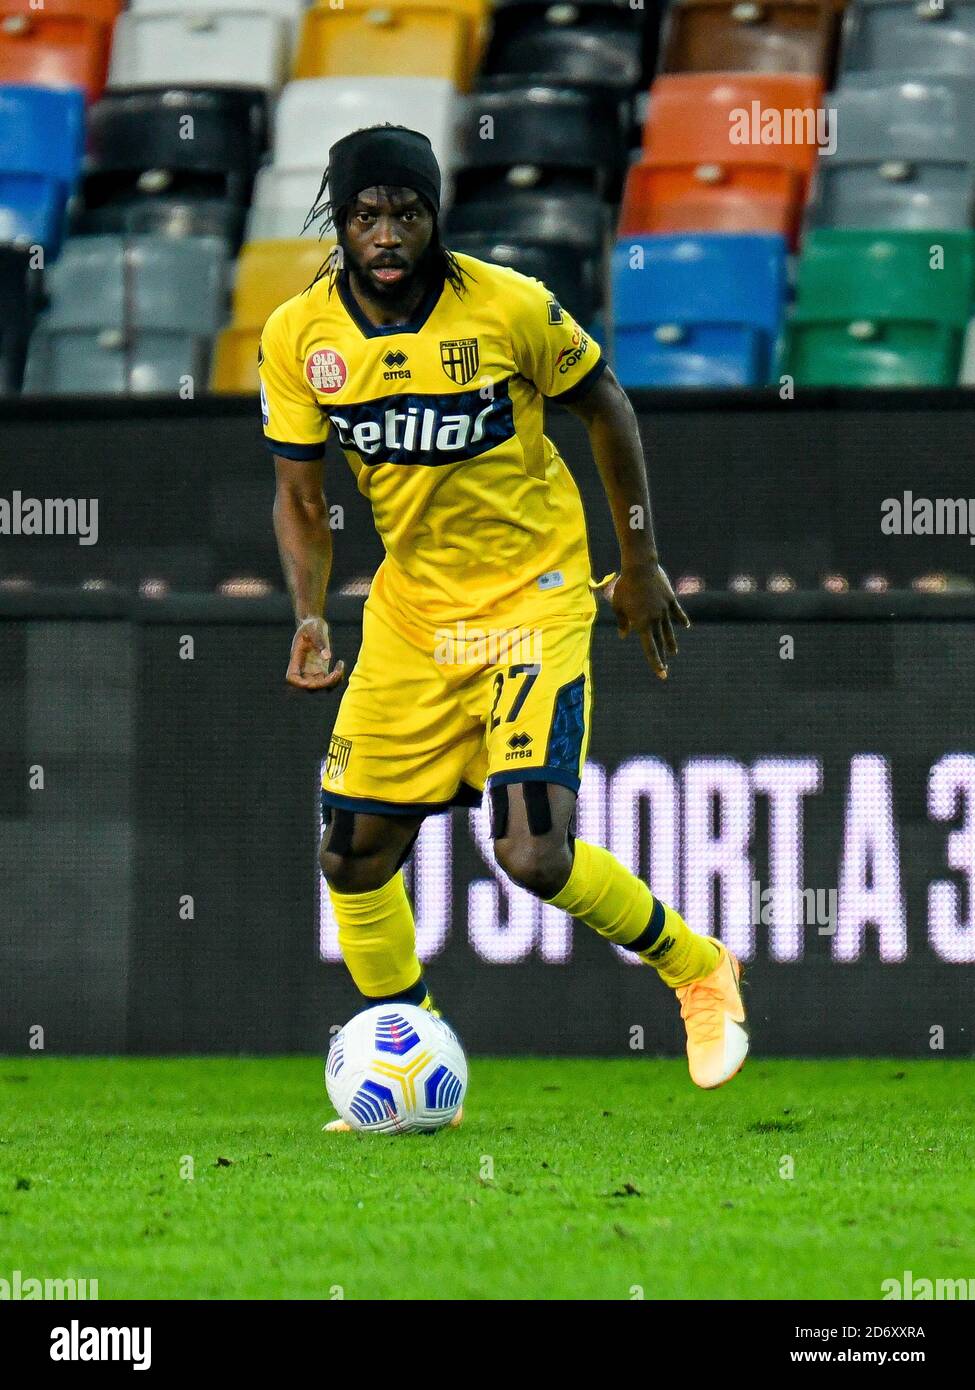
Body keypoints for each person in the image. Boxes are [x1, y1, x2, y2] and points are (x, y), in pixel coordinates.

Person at [259, 125, 748, 1128]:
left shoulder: (511, 307)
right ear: (338, 224)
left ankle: (699, 970)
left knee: (531, 852)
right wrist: (309, 613)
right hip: (414, 609)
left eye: (407, 212)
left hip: (532, 595)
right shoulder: (299, 337)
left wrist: (641, 559)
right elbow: (301, 501)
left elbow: (605, 403)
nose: (386, 234)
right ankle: (409, 1041)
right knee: (351, 854)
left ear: (437, 219)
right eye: (365, 215)